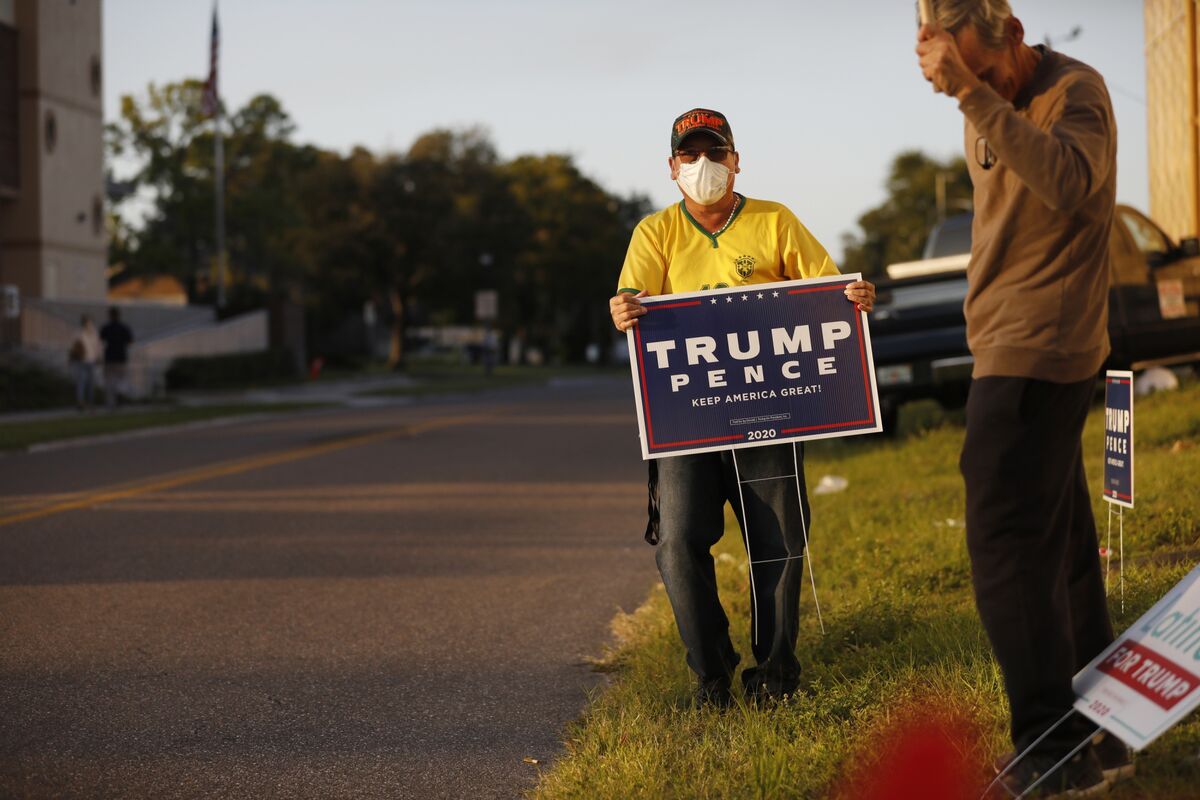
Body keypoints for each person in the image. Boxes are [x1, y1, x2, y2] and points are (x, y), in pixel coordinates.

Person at [916, 2, 1130, 796]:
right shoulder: (989, 95)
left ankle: (1049, 746)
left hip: (1042, 348)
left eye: (989, 67)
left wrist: (974, 93)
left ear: (1009, 26)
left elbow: (1072, 184)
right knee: (1060, 541)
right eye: (959, 71)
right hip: (1006, 341)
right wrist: (976, 90)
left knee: (1004, 541)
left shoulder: (1076, 90)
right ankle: (1101, 732)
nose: (984, 87)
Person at [608, 108, 874, 708]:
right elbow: (632, 297)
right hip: (689, 424)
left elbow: (828, 294)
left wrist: (854, 297)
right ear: (672, 167)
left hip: (768, 417)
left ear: (735, 159)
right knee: (676, 543)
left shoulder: (775, 221)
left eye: (715, 152)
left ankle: (777, 674)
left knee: (778, 542)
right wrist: (622, 309)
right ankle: (711, 673)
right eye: (690, 155)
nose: (703, 165)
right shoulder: (655, 232)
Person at [99, 306, 134, 410]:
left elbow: (101, 341)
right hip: (121, 357)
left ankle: (111, 403)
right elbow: (130, 342)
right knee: (120, 380)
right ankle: (119, 395)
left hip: (109, 357)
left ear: (109, 315)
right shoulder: (124, 328)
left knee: (109, 381)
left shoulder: (106, 328)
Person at [68, 315, 102, 412]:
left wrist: (98, 356)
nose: (89, 325)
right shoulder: (79, 333)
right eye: (87, 323)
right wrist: (71, 358)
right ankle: (81, 402)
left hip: (91, 360)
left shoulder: (94, 334)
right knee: (81, 382)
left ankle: (91, 403)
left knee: (90, 384)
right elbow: (74, 347)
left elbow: (97, 346)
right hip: (82, 360)